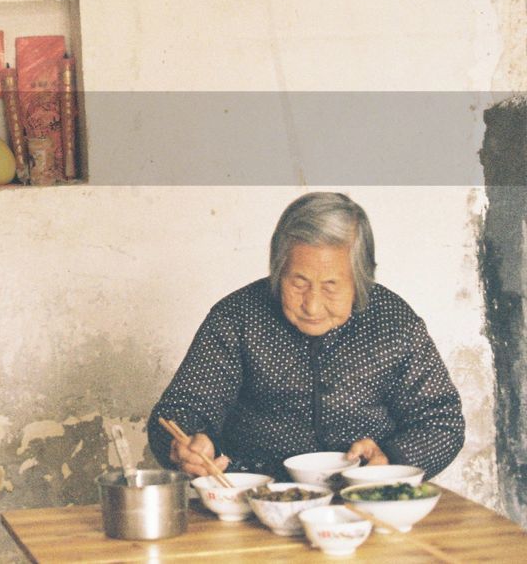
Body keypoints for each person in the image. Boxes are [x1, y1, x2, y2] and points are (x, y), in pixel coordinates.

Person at [147, 192, 465, 482]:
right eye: (298, 283)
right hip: (250, 500)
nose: (312, 305)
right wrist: (184, 445)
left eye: (330, 286)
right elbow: (178, 411)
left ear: (361, 278)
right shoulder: (237, 317)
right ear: (278, 269)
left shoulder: (394, 322)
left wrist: (392, 460)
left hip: (364, 501)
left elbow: (441, 422)